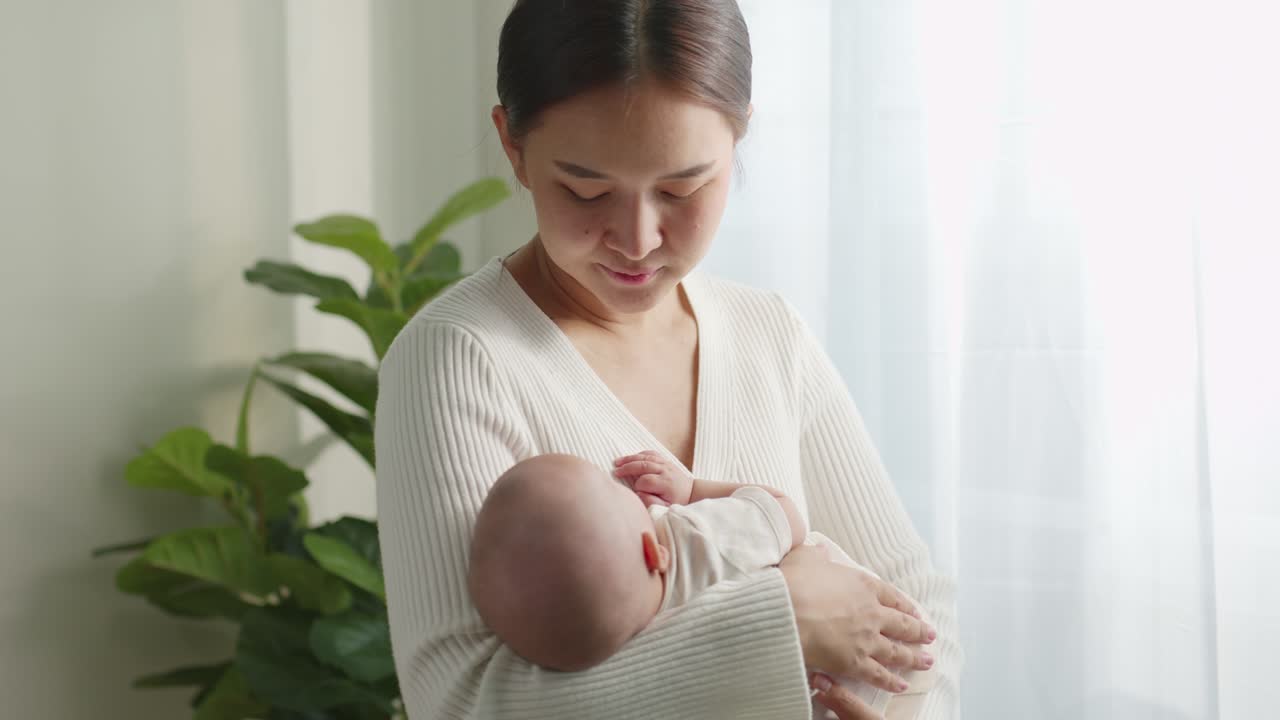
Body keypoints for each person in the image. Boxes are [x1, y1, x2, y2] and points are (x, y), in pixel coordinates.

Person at [374, 1, 963, 718]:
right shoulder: (458, 360)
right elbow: (461, 702)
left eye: (684, 189)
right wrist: (785, 625)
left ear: (740, 132)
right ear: (513, 146)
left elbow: (921, 608)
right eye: (585, 190)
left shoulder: (766, 334)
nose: (638, 239)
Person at [466, 451, 938, 718]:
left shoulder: (627, 656)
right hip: (895, 660)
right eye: (613, 490)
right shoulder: (699, 542)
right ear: (655, 552)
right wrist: (695, 491)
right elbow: (782, 512)